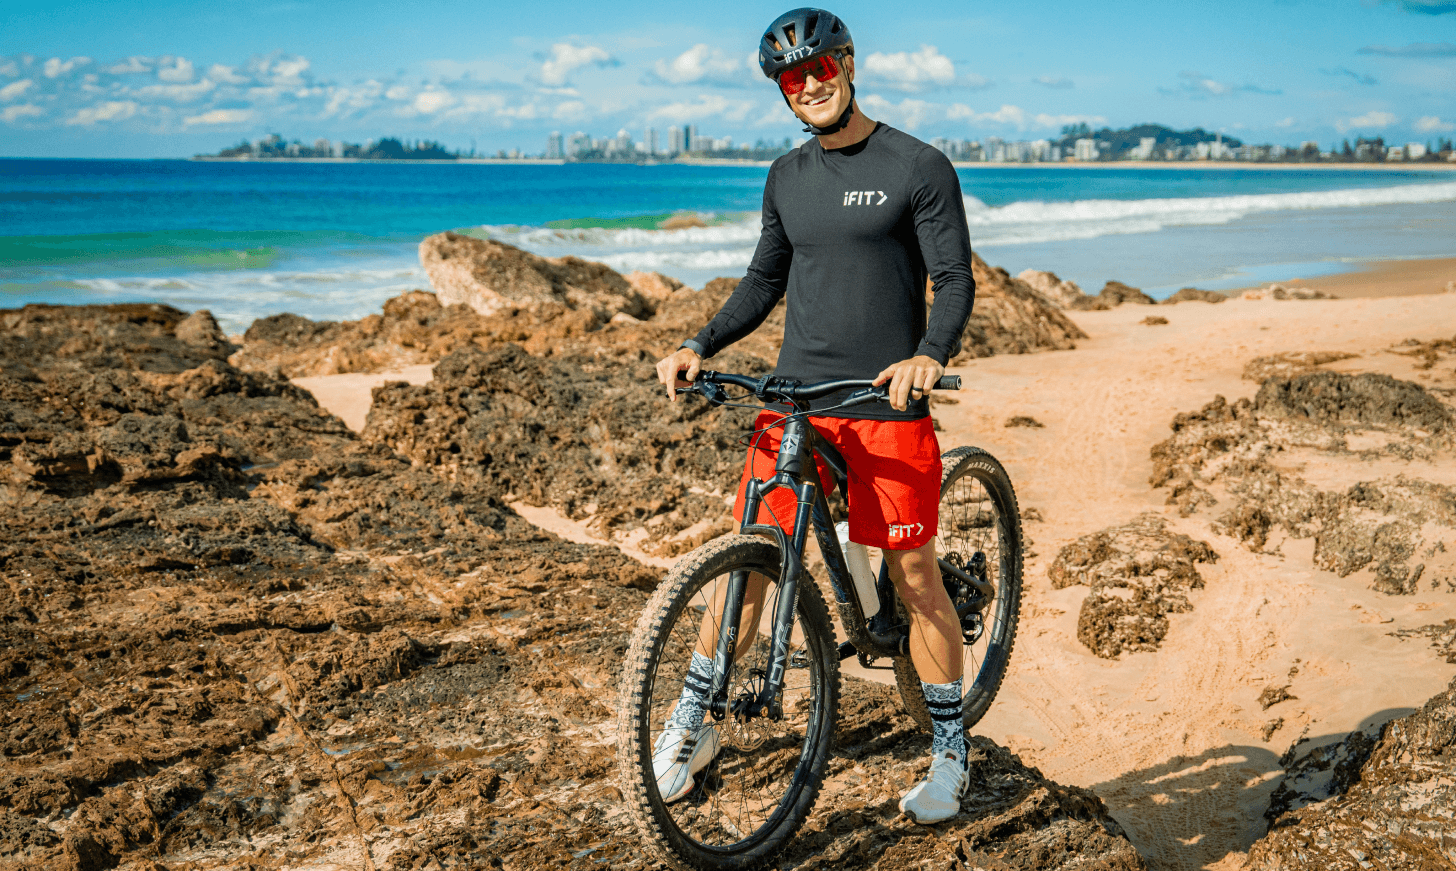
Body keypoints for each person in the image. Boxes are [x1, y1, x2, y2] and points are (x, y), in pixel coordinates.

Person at [651, 7, 977, 825]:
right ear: (783, 92)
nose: (809, 86)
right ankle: (693, 722)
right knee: (749, 568)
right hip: (793, 401)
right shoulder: (785, 177)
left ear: (849, 64)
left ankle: (950, 748)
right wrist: (699, 341)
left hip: (883, 402)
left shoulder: (918, 165)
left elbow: (952, 278)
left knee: (913, 576)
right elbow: (764, 281)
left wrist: (928, 354)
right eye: (793, 79)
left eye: (820, 68)